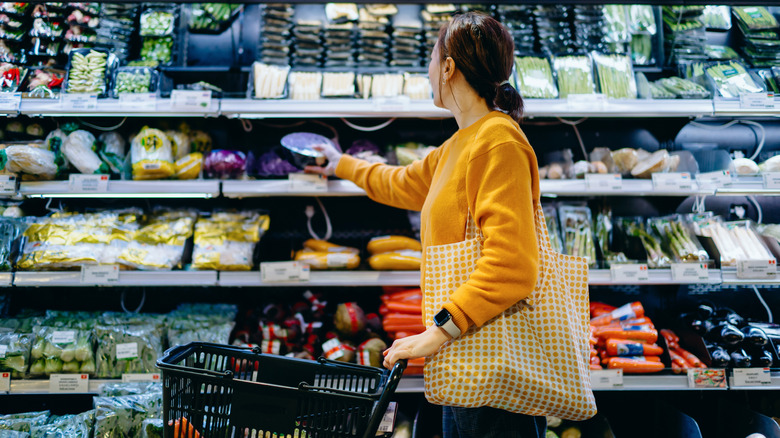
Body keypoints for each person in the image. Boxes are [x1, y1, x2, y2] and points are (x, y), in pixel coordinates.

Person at [306, 11, 544, 438]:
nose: (428, 70)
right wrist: (338, 162)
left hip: (494, 369)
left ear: (449, 66)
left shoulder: (499, 141)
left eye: (432, 58)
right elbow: (399, 183)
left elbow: (513, 265)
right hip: (465, 358)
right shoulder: (460, 144)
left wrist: (436, 333)